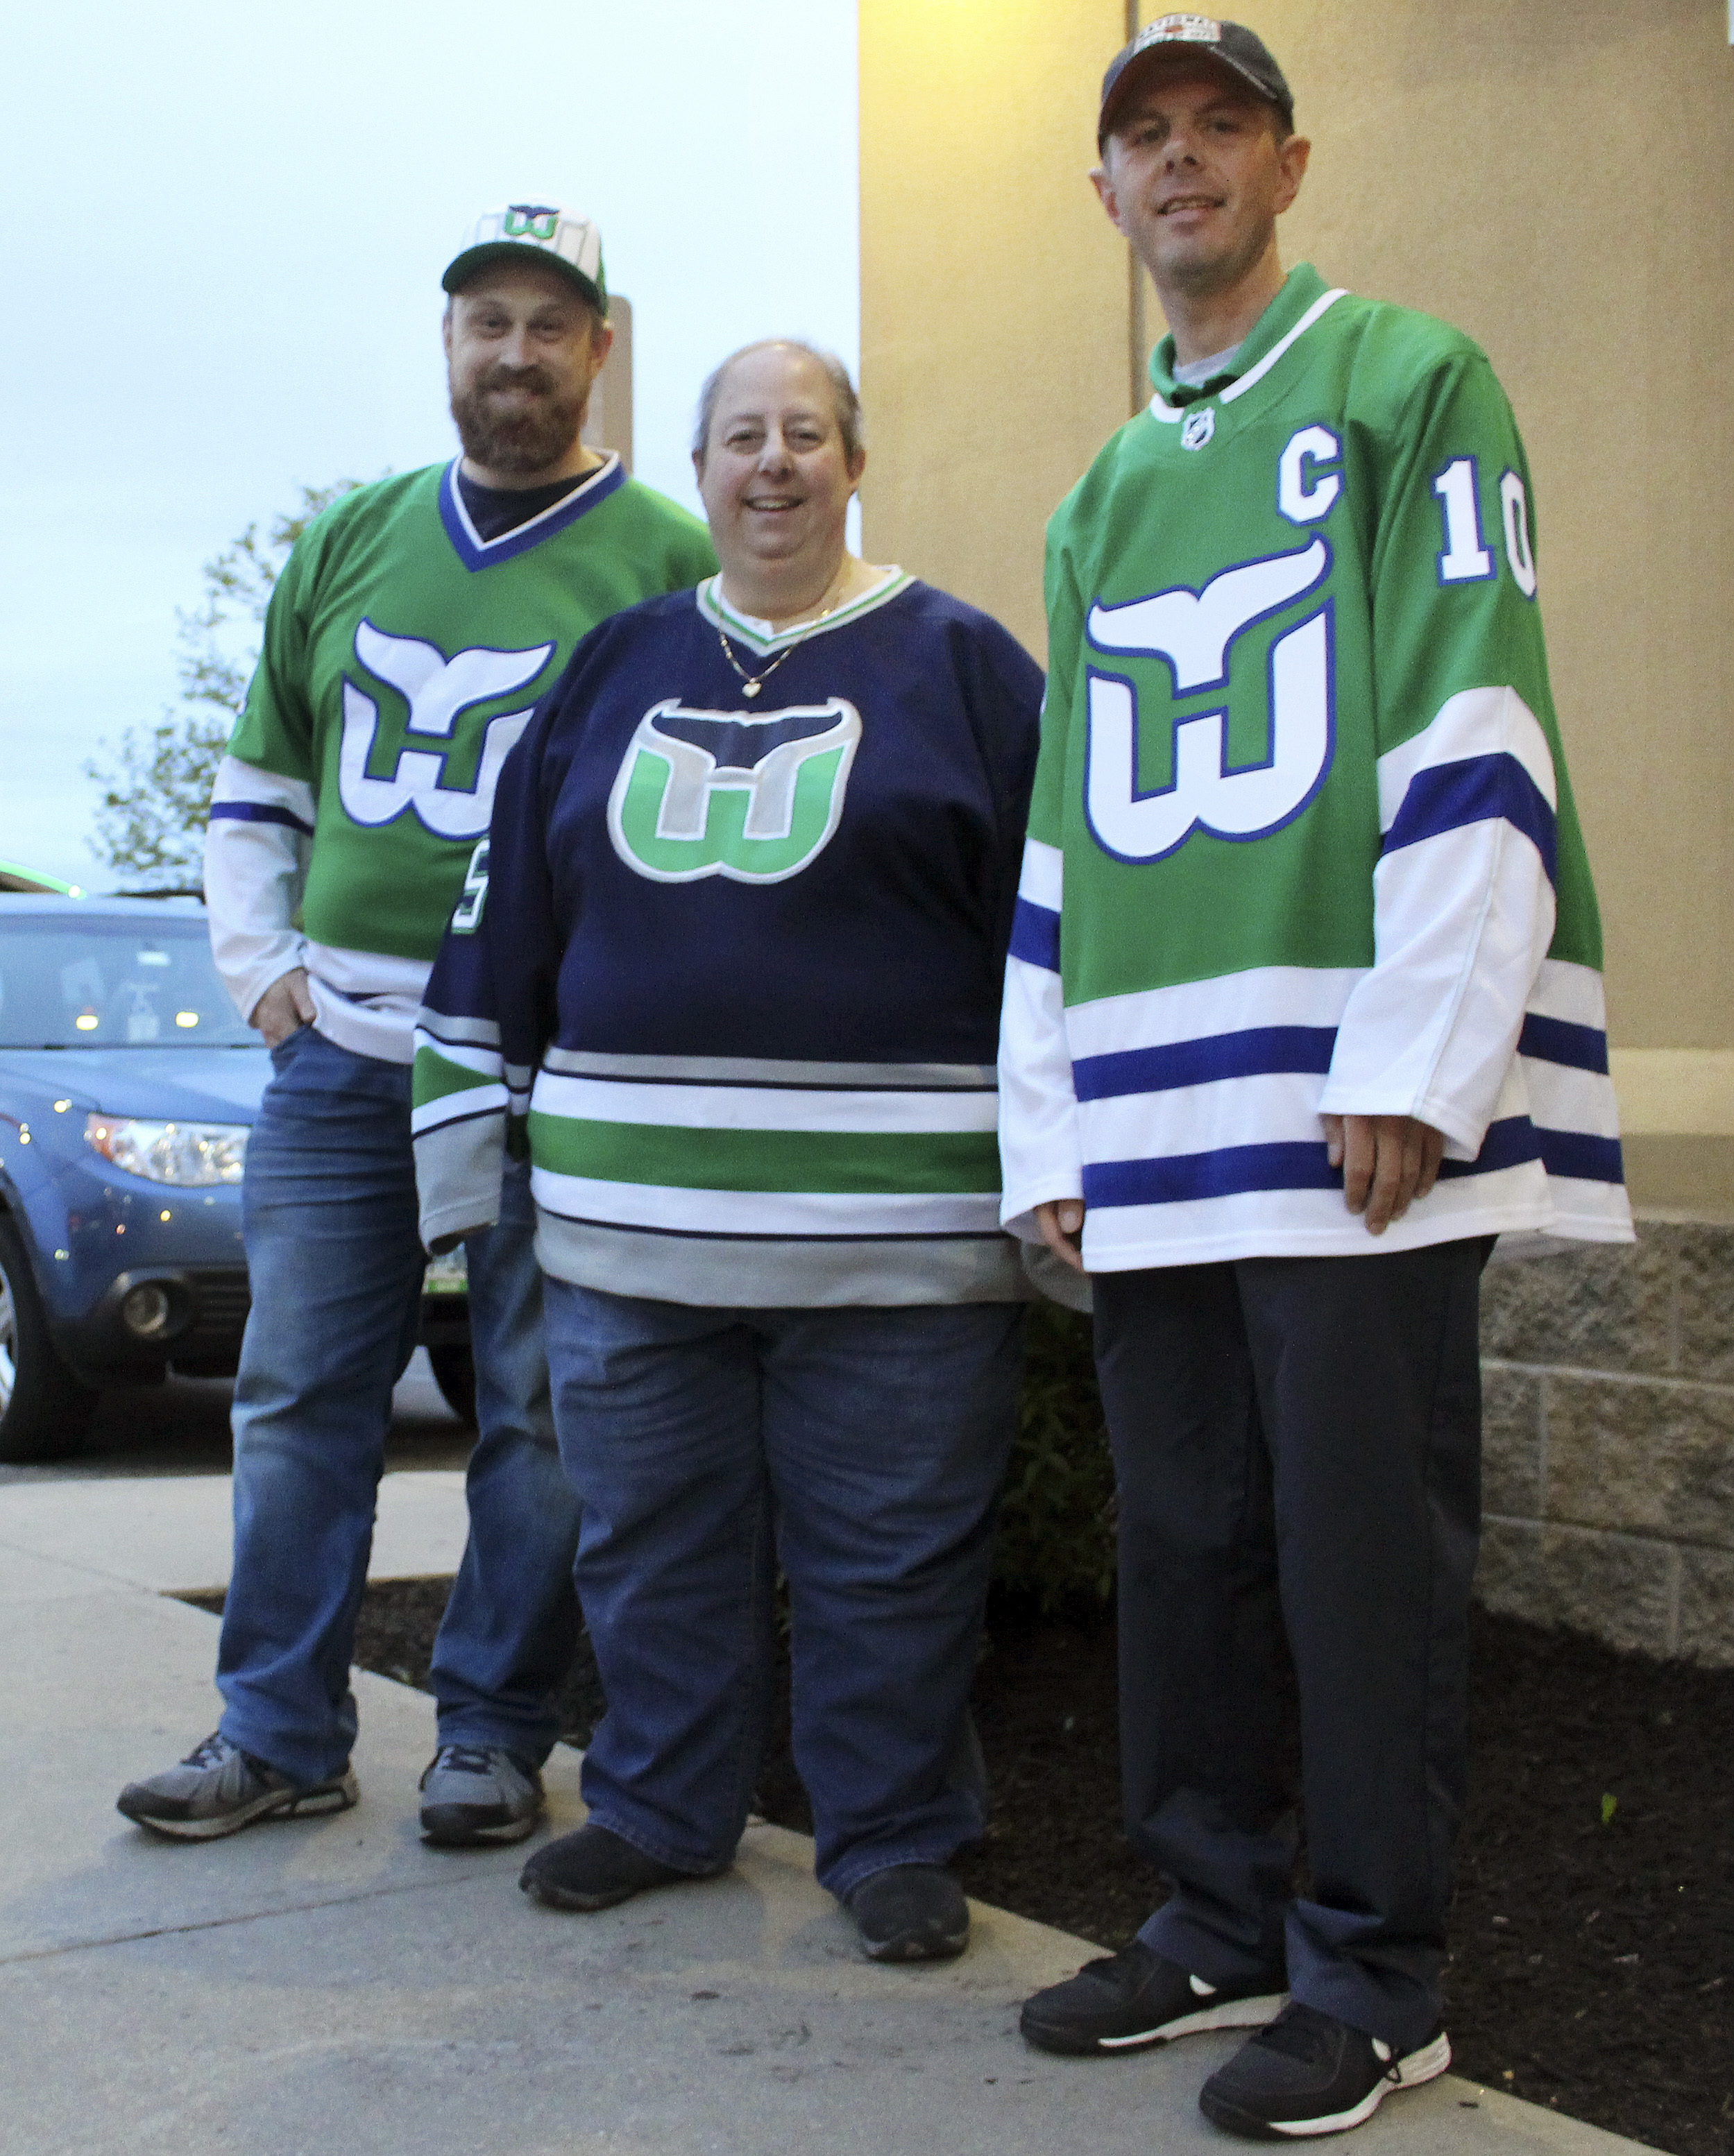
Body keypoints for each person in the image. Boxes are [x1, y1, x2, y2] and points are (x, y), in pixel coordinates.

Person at [998, 17, 1631, 2138]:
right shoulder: (1100, 492)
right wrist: (1047, 1119)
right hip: (1156, 1117)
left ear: (1286, 164)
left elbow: (1475, 704)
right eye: (1142, 135)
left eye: (1220, 126)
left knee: (1359, 1557)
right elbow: (1065, 832)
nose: (1178, 160)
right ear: (1104, 192)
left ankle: (1373, 1973)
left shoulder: (1407, 378)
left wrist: (1422, 1054)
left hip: (1348, 1107)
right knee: (1184, 1543)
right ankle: (1211, 1916)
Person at [411, 340, 1044, 1960]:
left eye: (805, 434)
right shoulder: (611, 667)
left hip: (902, 1244)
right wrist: (466, 1149)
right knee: (649, 1545)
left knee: (892, 1561)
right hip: (625, 1239)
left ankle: (891, 1836)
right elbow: (504, 910)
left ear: (854, 463)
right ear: (696, 473)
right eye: (741, 436)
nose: (773, 462)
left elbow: (1053, 935)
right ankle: (659, 1804)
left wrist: (1066, 1162)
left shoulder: (965, 667)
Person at [117, 205, 717, 1846]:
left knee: (539, 1412)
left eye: (548, 325)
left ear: (598, 349)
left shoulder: (664, 556)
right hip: (345, 1055)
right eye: (486, 323)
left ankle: (492, 1732)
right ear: (447, 342)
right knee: (299, 1395)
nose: (515, 354)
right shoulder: (351, 537)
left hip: (540, 1065)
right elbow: (260, 782)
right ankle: (277, 1730)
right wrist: (263, 973)